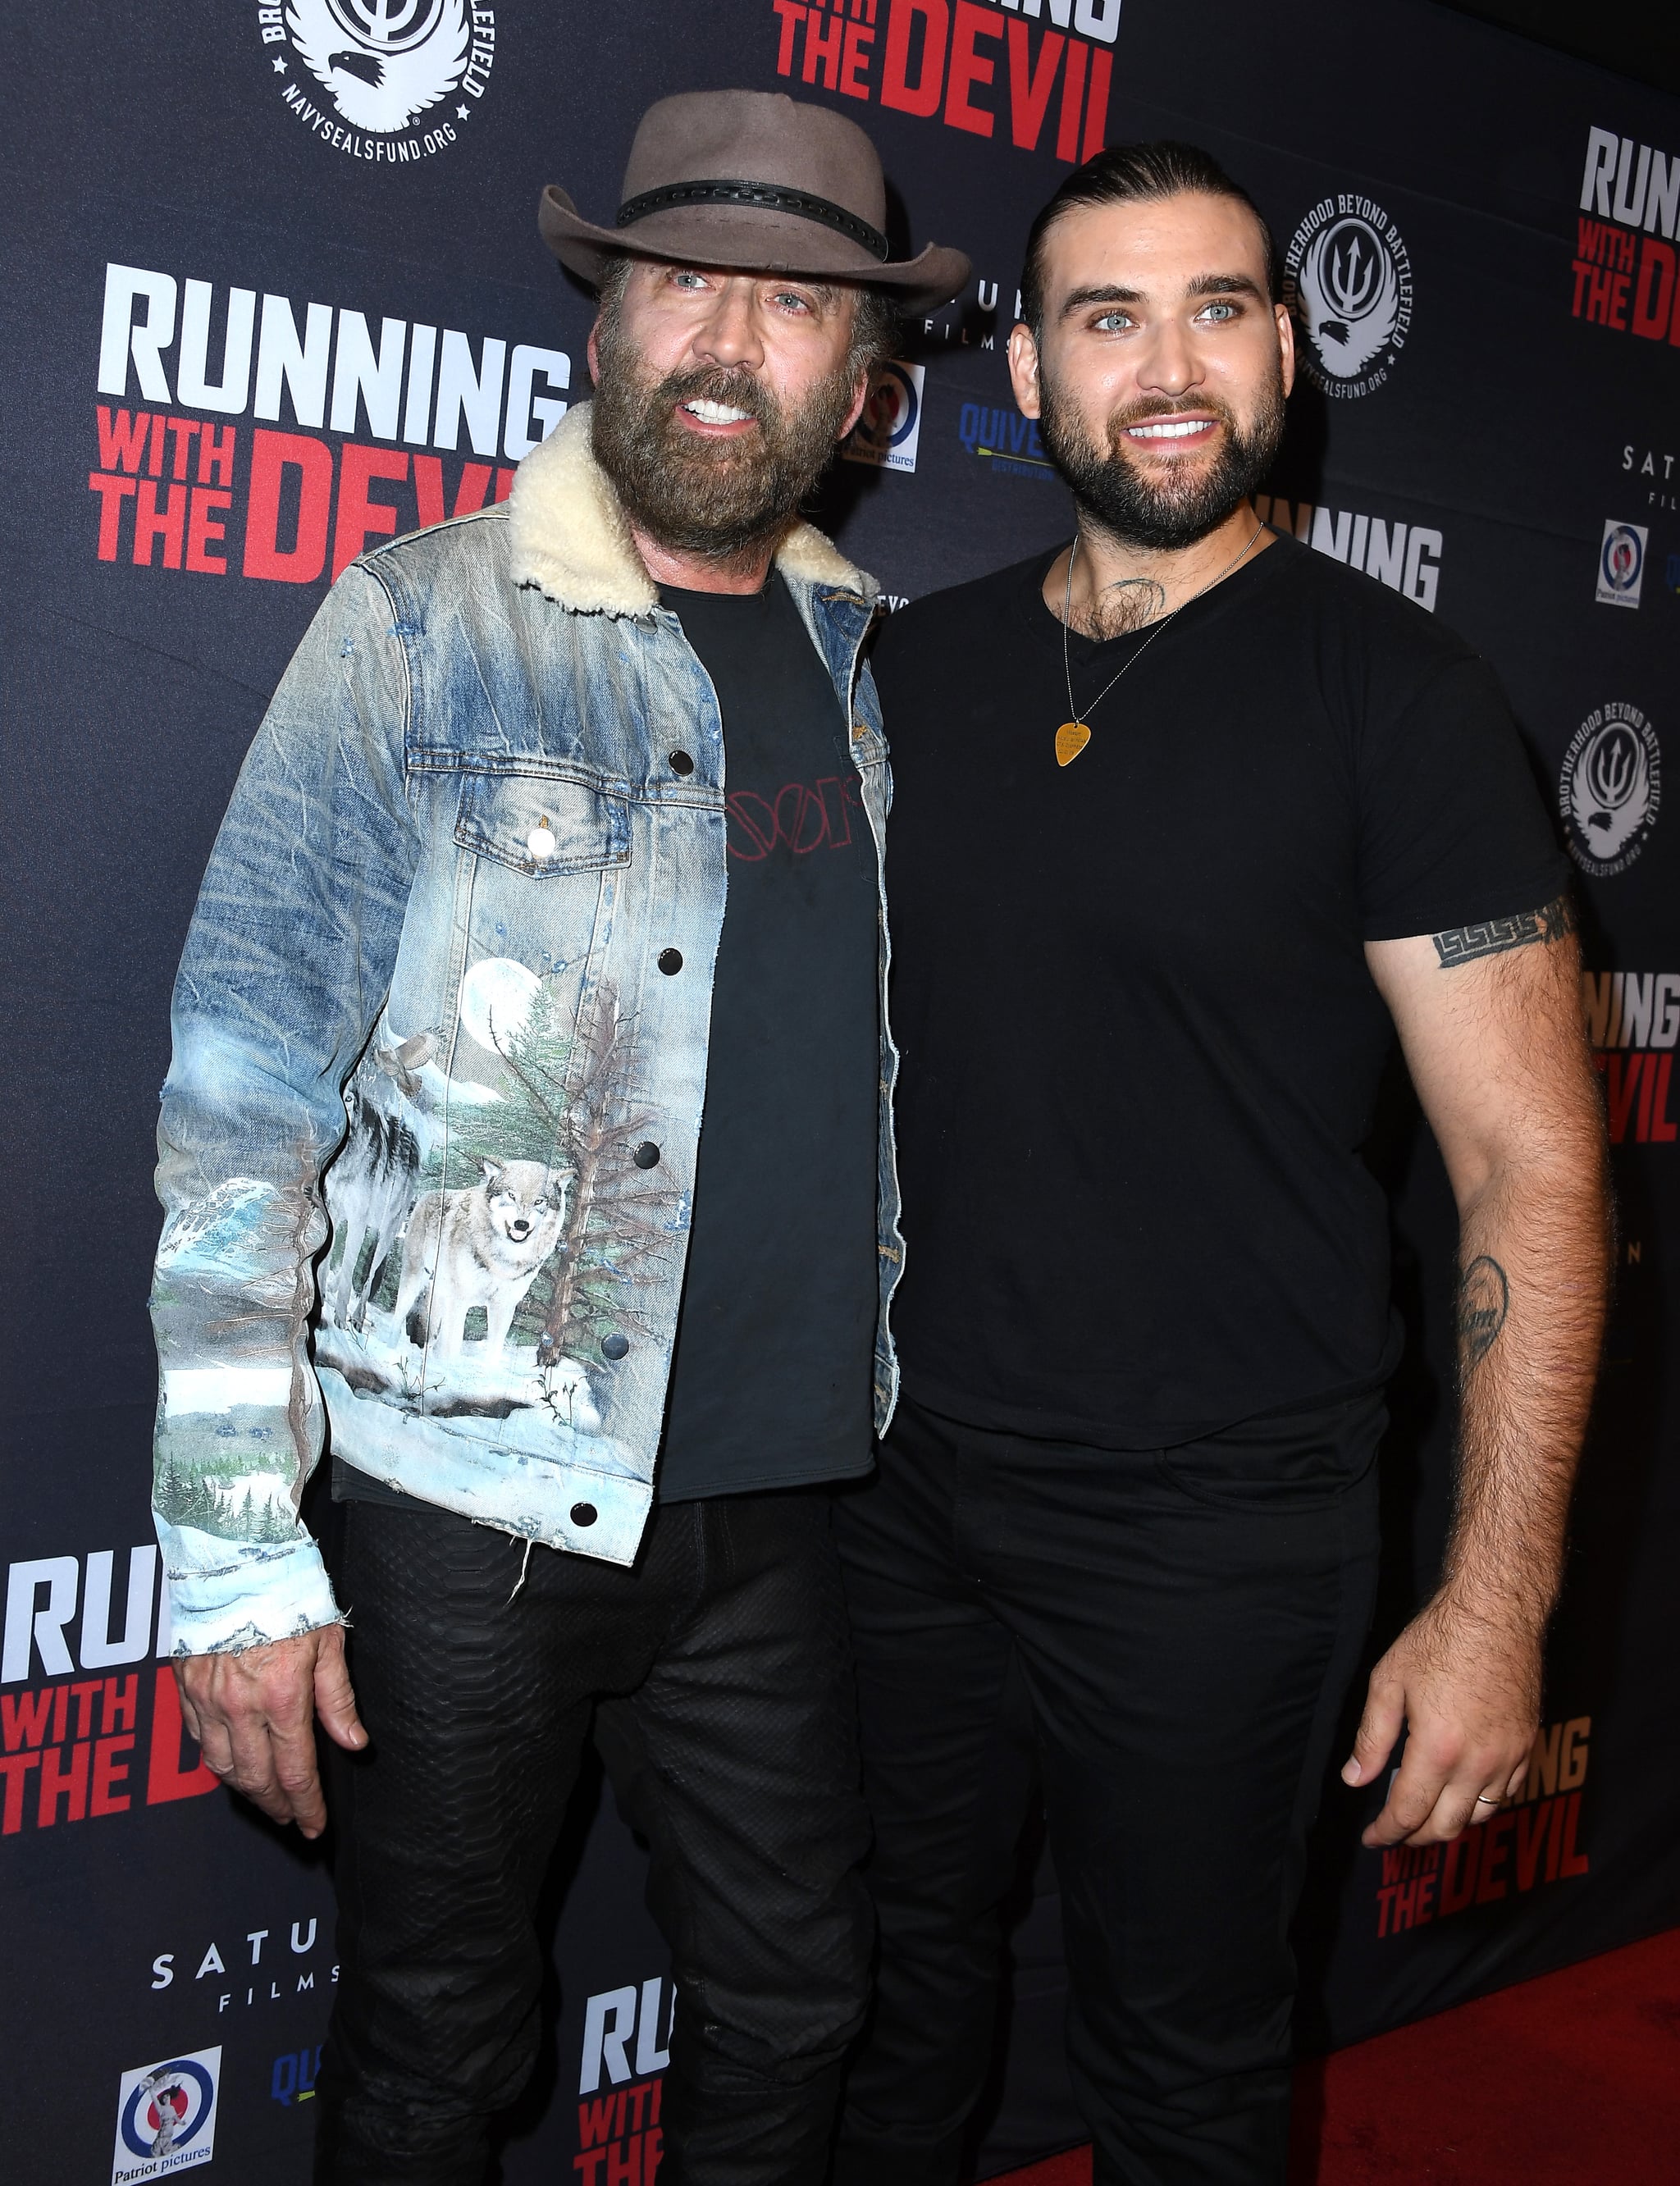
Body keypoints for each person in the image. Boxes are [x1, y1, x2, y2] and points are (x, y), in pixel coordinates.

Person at [146, 89, 966, 2185]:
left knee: (796, 1999)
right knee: (439, 2042)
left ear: (862, 387)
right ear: (602, 332)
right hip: (465, 1506)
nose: (723, 341)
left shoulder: (866, 667)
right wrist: (242, 1555)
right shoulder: (423, 620)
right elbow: (245, 1096)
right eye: (682, 281)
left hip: (783, 1495)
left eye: (787, 304)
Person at [833, 141, 1609, 2185]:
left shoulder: (1401, 701)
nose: (1166, 366)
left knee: (1179, 2069)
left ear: (1285, 346)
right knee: (891, 2006)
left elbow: (1531, 1168)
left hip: (1214, 1535)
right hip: (895, 1504)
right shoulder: (912, 672)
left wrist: (1493, 1599)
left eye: (1216, 309)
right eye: (1108, 317)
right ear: (1026, 364)